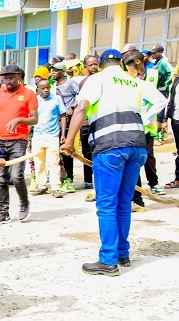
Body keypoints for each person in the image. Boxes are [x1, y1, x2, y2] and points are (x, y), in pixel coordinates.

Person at [60, 49, 166, 277]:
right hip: (137, 146)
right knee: (124, 202)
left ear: (99, 64)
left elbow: (81, 108)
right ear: (120, 63)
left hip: (110, 148)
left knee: (107, 204)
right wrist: (145, 118)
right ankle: (122, 253)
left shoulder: (96, 80)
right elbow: (160, 100)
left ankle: (108, 260)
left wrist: (69, 141)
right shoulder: (134, 80)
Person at [0, 64, 38, 225]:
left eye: (11, 77)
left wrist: (20, 119)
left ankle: (24, 203)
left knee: (16, 175)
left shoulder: (28, 94)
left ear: (19, 77)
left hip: (19, 140)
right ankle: (3, 212)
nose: (8, 81)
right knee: (0, 178)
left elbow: (35, 119)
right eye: (5, 77)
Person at [123, 50, 164, 212]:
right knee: (131, 163)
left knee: (135, 164)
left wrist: (145, 118)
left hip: (142, 130)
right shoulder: (130, 83)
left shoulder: (142, 83)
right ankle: (133, 198)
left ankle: (138, 200)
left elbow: (161, 101)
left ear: (136, 65)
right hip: (132, 130)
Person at [30, 79, 67, 198]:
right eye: (43, 88)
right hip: (38, 135)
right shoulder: (34, 100)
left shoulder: (57, 99)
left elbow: (62, 116)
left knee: (53, 162)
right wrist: (27, 134)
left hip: (52, 135)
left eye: (47, 87)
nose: (46, 90)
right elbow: (30, 117)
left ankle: (56, 187)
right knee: (39, 162)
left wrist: (63, 134)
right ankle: (42, 185)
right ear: (38, 89)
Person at [51, 61, 81, 193]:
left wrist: (72, 108)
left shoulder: (70, 84)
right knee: (55, 151)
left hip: (67, 121)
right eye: (52, 70)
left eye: (56, 70)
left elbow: (81, 96)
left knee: (66, 149)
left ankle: (69, 179)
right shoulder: (51, 86)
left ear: (63, 72)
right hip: (54, 121)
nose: (53, 73)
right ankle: (59, 178)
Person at [79, 55, 100, 199]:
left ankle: (100, 185)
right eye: (90, 64)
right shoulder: (83, 83)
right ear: (86, 67)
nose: (93, 67)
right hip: (86, 124)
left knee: (99, 154)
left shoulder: (104, 81)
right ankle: (88, 180)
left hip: (99, 123)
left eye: (95, 64)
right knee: (87, 153)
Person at [159, 62, 179, 190]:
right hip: (176, 120)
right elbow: (171, 100)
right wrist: (165, 119)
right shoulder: (176, 80)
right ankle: (178, 179)